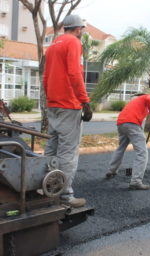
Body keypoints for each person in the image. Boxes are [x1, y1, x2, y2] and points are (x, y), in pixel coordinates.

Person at [43, 15, 90, 208]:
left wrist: (50, 98)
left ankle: (45, 188)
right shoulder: (73, 42)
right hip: (69, 105)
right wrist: (85, 101)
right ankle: (65, 195)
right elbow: (74, 73)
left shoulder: (53, 45)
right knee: (68, 153)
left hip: (53, 104)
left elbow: (46, 77)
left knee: (51, 149)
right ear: (78, 29)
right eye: (82, 30)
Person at [105, 87, 150, 190]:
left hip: (121, 124)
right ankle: (136, 181)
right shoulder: (147, 97)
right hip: (132, 124)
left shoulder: (136, 101)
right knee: (142, 153)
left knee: (121, 147)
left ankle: (112, 170)